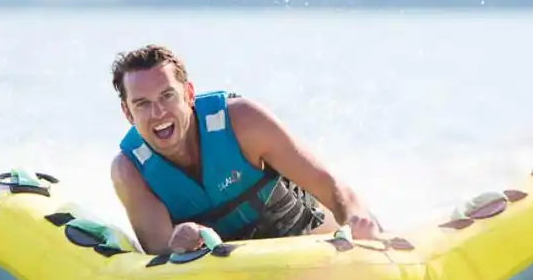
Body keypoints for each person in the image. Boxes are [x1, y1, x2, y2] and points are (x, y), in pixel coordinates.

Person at [108, 44, 382, 254]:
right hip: (232, 279)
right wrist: (180, 241)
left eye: (167, 96)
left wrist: (358, 219)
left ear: (189, 94)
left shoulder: (243, 122)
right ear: (127, 113)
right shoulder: (130, 171)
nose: (158, 112)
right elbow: (161, 252)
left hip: (312, 251)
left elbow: (334, 190)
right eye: (142, 104)